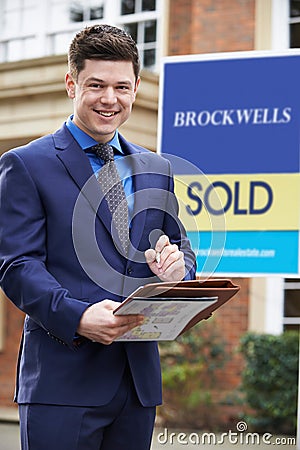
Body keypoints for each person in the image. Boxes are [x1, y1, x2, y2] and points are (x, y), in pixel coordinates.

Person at [0, 24, 196, 450]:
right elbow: (17, 267)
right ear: (72, 83)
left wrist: (178, 269)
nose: (110, 99)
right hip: (62, 384)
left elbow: (179, 249)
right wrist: (78, 317)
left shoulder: (156, 169)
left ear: (136, 88)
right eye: (97, 85)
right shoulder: (25, 165)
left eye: (122, 86)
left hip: (137, 384)